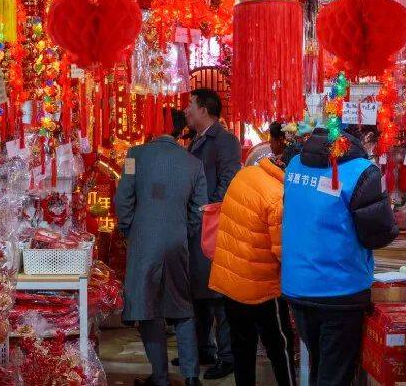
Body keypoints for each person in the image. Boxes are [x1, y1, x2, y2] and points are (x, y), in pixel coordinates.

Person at [281, 128, 399, 386]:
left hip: (298, 285)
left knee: (321, 364)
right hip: (339, 289)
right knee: (335, 374)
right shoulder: (362, 171)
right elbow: (378, 235)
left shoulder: (295, 164)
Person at [115, 109, 207, 386]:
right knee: (181, 305)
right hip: (178, 242)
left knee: (147, 307)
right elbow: (200, 209)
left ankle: (160, 376)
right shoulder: (193, 164)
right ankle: (191, 376)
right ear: (180, 131)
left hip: (144, 241)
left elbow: (123, 198)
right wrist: (183, 230)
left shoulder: (135, 155)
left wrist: (130, 228)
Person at [208, 153, 296, 386]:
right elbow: (281, 251)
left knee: (242, 348)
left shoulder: (245, 174)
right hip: (261, 285)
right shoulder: (277, 196)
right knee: (280, 346)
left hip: (230, 279)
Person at [180, 88, 241, 380]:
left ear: (204, 109)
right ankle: (203, 348)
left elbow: (229, 178)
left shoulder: (225, 140)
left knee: (218, 294)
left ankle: (228, 355)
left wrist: (209, 208)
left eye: (190, 104)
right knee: (199, 291)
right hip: (198, 226)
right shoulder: (196, 141)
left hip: (215, 225)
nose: (186, 110)